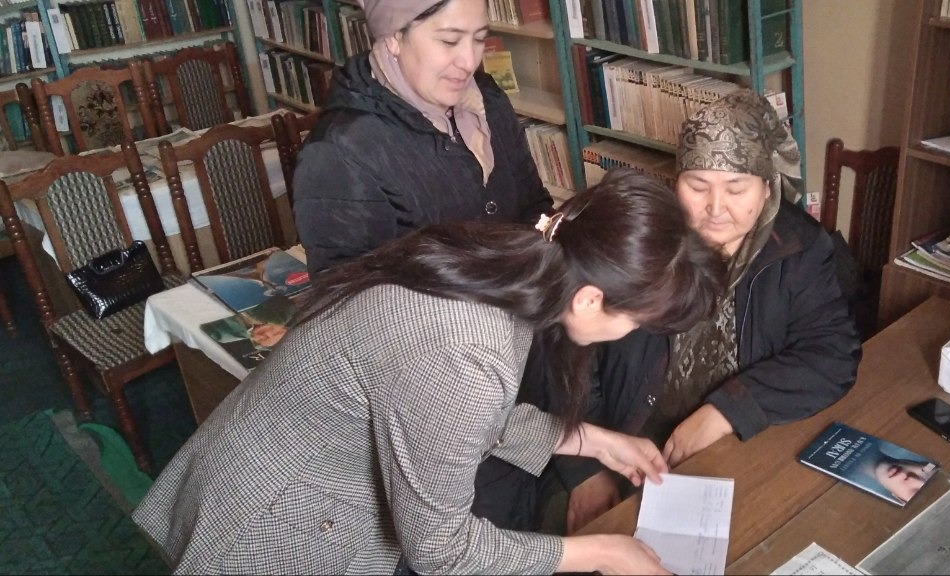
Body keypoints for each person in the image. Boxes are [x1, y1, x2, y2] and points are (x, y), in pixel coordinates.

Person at [130, 169, 726, 575]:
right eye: (637, 322)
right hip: (278, 524)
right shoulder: (464, 350)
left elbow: (450, 419)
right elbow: (440, 550)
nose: (631, 335)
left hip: (279, 473)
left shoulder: (510, 262)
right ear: (592, 300)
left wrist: (591, 439)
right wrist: (602, 552)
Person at [541, 90, 864, 534]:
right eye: (697, 187)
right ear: (675, 183)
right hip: (618, 441)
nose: (715, 208)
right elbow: (568, 354)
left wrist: (729, 410)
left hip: (736, 437)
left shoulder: (798, 248)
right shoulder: (641, 237)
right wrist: (585, 468)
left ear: (766, 187)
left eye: (736, 189)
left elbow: (831, 354)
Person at [291, 0, 552, 274]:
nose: (469, 61)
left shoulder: (488, 101)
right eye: (449, 41)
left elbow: (535, 205)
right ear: (394, 37)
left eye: (479, 39)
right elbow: (349, 293)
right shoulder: (339, 153)